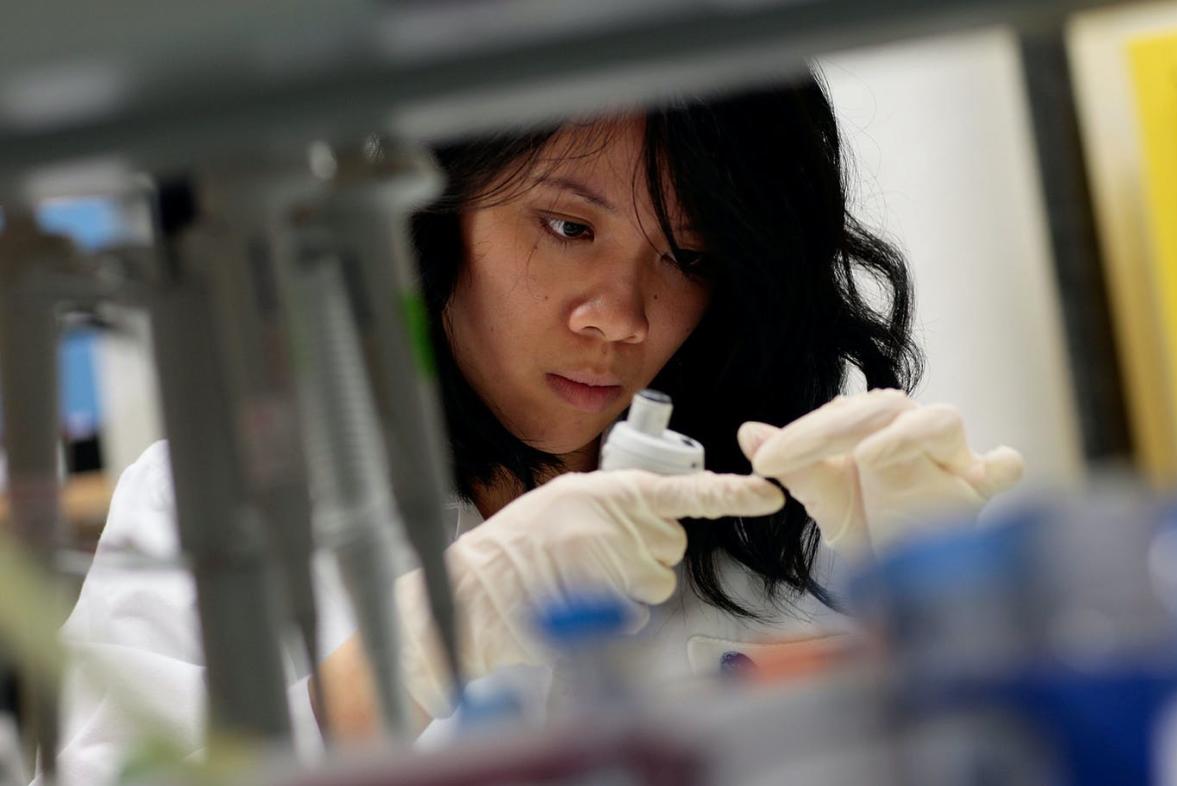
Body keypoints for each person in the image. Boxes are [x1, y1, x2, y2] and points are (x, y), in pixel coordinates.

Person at [52, 69, 1023, 780]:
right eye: (569, 228)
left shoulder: (784, 512)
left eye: (687, 258)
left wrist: (940, 631)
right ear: (437, 214)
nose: (621, 317)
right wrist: (405, 659)